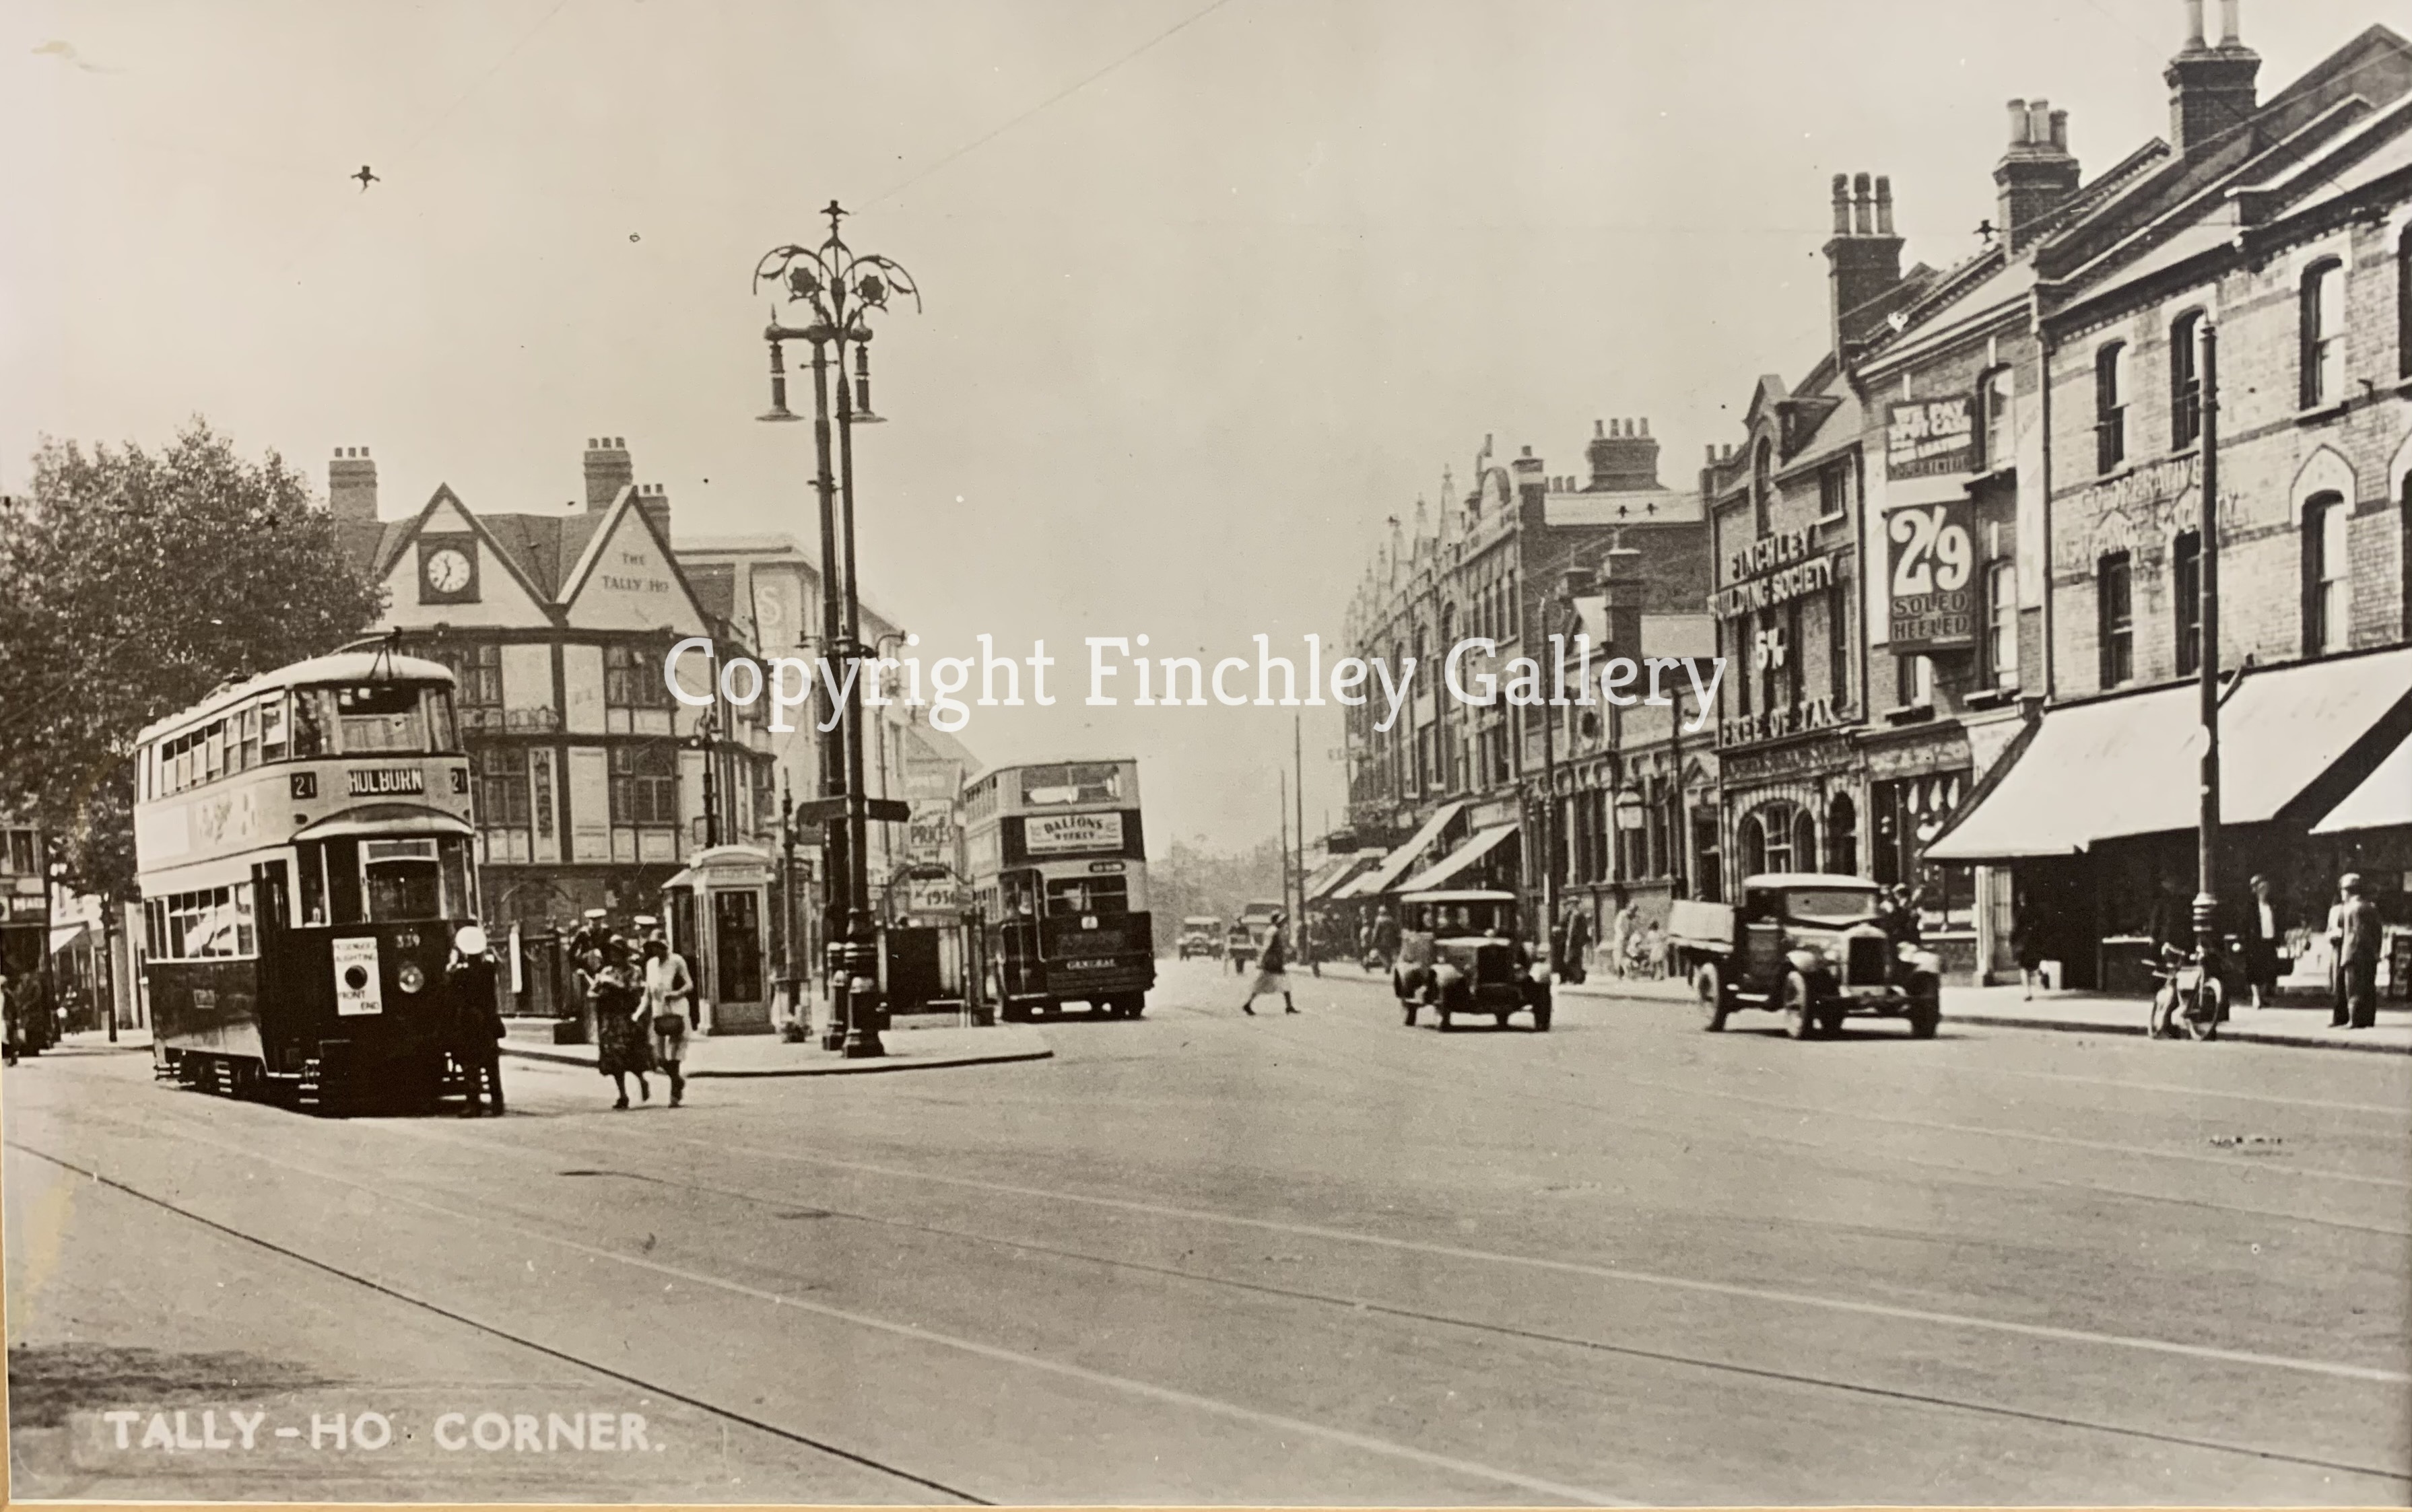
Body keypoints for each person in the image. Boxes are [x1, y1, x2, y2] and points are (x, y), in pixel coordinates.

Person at [447, 928, 506, 1117]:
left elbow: (450, 984)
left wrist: (453, 962)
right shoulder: (488, 969)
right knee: (491, 1065)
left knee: (471, 1065)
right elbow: (497, 964)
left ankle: (474, 1104)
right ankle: (498, 1103)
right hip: (488, 1021)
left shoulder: (461, 974)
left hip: (469, 1023)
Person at [587, 941, 652, 1107]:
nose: (614, 957)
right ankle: (622, 1095)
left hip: (628, 1017)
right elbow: (592, 992)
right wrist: (600, 989)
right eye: (612, 953)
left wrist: (616, 985)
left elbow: (635, 990)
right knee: (614, 1058)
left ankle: (641, 1080)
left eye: (617, 953)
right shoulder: (607, 971)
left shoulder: (634, 970)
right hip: (611, 1019)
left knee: (632, 1054)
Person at [642, 934, 696, 1108]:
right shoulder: (650, 965)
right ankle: (677, 1080)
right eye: (653, 946)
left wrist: (676, 994)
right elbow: (648, 992)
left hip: (677, 1009)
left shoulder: (677, 961)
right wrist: (639, 1013)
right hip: (659, 1011)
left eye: (660, 946)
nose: (656, 949)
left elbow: (689, 984)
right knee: (657, 1057)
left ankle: (674, 1094)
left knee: (675, 1051)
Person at [2336, 873, 2382, 1031]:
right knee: (2368, 986)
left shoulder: (2351, 909)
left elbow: (2358, 933)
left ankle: (2354, 1020)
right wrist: (2375, 951)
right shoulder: (2370, 907)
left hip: (2353, 953)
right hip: (2368, 954)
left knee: (2353, 988)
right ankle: (2368, 1019)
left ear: (2348, 891)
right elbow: (2377, 932)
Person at [1240, 909, 1297, 1016]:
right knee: (1263, 984)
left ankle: (1289, 1006)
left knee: (1284, 982)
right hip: (1272, 962)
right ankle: (1248, 1004)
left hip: (1275, 961)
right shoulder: (1273, 931)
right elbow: (1267, 947)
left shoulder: (1274, 930)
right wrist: (1263, 960)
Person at [2240, 874, 2284, 1010]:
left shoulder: (2271, 905)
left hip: (2269, 940)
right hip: (2255, 943)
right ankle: (2256, 997)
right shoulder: (2251, 906)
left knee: (2267, 969)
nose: (2265, 890)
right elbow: (2244, 925)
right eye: (2262, 888)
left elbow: (2276, 923)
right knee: (2254, 970)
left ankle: (2262, 996)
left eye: (2266, 887)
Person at [2011, 889, 2048, 1000]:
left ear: (2020, 899)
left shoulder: (2020, 912)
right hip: (2035, 941)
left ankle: (2028, 992)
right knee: (2035, 964)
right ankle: (2041, 975)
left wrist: (2012, 941)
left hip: (2023, 943)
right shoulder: (2036, 911)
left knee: (2024, 968)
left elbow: (2016, 929)